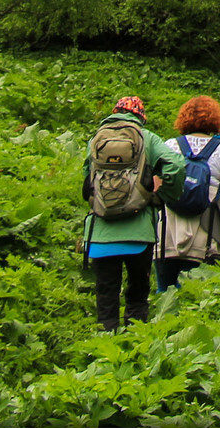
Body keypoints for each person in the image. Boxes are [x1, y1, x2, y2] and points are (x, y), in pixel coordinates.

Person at [80, 96, 187, 333]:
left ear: (114, 112)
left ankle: (105, 345)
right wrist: (160, 196)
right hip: (139, 233)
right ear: (141, 116)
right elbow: (176, 166)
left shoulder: (96, 139)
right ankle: (135, 344)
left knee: (106, 293)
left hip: (101, 232)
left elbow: (88, 180)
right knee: (137, 294)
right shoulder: (146, 138)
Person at [156, 94, 220, 289]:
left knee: (165, 289)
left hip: (169, 229)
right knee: (196, 293)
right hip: (204, 229)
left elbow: (156, 186)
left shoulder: (169, 145)